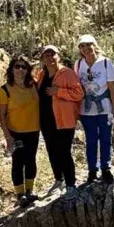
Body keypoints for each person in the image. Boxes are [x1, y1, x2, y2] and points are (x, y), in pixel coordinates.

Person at [35, 46, 83, 196]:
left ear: (58, 56)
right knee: (52, 151)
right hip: (46, 120)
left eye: (53, 54)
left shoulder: (67, 73)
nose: (50, 57)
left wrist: (59, 92)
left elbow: (79, 93)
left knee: (64, 152)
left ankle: (70, 184)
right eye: (46, 55)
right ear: (42, 59)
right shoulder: (41, 75)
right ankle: (58, 179)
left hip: (64, 120)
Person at [0, 56, 40, 204]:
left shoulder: (33, 85)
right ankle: (20, 194)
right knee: (18, 162)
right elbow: (1, 115)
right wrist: (8, 137)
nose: (20, 70)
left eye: (23, 67)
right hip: (16, 132)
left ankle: (29, 191)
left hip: (33, 130)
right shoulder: (5, 90)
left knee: (31, 160)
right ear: (11, 69)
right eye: (17, 66)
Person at [75, 35, 114, 185]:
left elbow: (112, 87)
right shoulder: (78, 64)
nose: (86, 49)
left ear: (94, 45)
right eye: (82, 46)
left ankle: (106, 168)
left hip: (105, 106)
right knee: (91, 140)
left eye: (88, 45)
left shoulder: (106, 63)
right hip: (86, 109)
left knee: (106, 138)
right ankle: (92, 169)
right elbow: (77, 87)